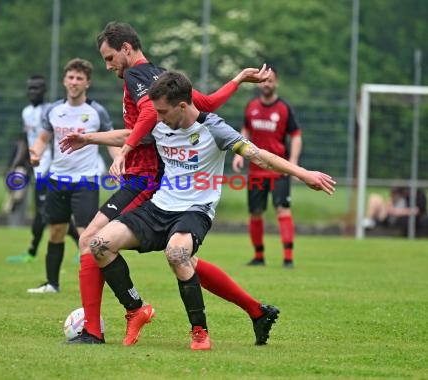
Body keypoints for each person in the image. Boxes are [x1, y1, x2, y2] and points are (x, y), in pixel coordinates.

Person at [59, 21, 274, 344]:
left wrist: (124, 151)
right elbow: (209, 103)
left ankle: (98, 327)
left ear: (127, 49)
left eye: (109, 58)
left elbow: (146, 116)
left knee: (91, 239)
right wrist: (238, 79)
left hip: (146, 178)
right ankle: (257, 310)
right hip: (154, 178)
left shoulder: (134, 76)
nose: (108, 66)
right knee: (183, 258)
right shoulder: (160, 75)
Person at [86, 71, 335, 349]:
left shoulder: (214, 128)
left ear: (182, 106)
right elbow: (129, 135)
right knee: (99, 244)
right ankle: (136, 309)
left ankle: (200, 332)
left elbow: (259, 156)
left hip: (195, 210)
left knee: (177, 254)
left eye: (163, 111)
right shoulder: (159, 121)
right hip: (159, 206)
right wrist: (87, 138)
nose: (157, 117)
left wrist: (303, 174)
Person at [27, 58, 118, 293]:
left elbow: (112, 139)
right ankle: (52, 284)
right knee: (56, 231)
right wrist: (35, 153)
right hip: (57, 179)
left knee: (85, 235)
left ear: (87, 83)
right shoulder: (54, 111)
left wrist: (118, 160)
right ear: (64, 80)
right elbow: (43, 139)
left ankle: (89, 289)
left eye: (79, 78)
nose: (74, 82)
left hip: (86, 180)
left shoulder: (96, 111)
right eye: (71, 77)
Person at [232, 66, 302, 268]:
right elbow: (245, 130)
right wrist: (239, 155)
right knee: (255, 212)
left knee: (282, 209)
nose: (267, 84)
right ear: (259, 83)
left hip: (279, 170)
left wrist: (294, 162)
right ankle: (258, 256)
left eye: (270, 81)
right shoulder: (251, 106)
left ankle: (288, 257)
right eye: (264, 81)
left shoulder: (284, 109)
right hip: (256, 170)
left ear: (276, 83)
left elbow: (296, 135)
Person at [6, 75, 80, 263]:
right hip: (37, 168)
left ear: (44, 91)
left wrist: (58, 164)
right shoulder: (26, 112)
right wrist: (17, 163)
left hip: (50, 170)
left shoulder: (49, 111)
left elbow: (55, 139)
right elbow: (26, 139)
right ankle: (81, 246)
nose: (33, 92)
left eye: (37, 88)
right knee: (48, 212)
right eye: (30, 88)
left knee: (45, 212)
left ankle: (32, 252)